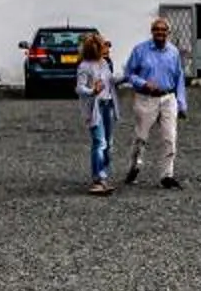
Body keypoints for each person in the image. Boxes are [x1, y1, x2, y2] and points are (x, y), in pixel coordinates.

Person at [119, 16, 187, 189]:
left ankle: (167, 175)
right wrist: (144, 83)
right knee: (141, 137)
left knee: (170, 138)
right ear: (152, 31)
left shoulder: (173, 52)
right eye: (157, 29)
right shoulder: (140, 50)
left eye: (163, 30)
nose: (160, 33)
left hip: (168, 98)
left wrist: (181, 102)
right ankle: (134, 166)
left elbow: (179, 78)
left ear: (168, 33)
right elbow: (129, 74)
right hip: (146, 98)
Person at [75, 31, 119, 195]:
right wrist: (93, 91)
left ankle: (103, 175)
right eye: (103, 46)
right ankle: (98, 178)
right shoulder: (84, 66)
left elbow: (110, 80)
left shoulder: (105, 63)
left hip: (108, 105)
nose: (106, 49)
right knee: (99, 142)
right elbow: (79, 88)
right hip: (96, 107)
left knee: (109, 142)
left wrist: (125, 78)